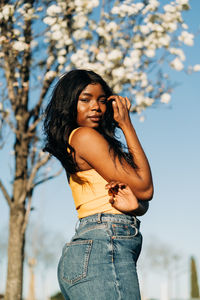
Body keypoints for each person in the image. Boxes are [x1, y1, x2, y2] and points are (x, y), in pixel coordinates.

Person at [43, 69, 153, 300]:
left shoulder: (84, 141)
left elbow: (140, 199)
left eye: (102, 100)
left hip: (97, 245)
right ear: (69, 103)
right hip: (104, 244)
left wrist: (136, 207)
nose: (96, 106)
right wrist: (126, 125)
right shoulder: (84, 136)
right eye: (85, 99)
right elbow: (145, 187)